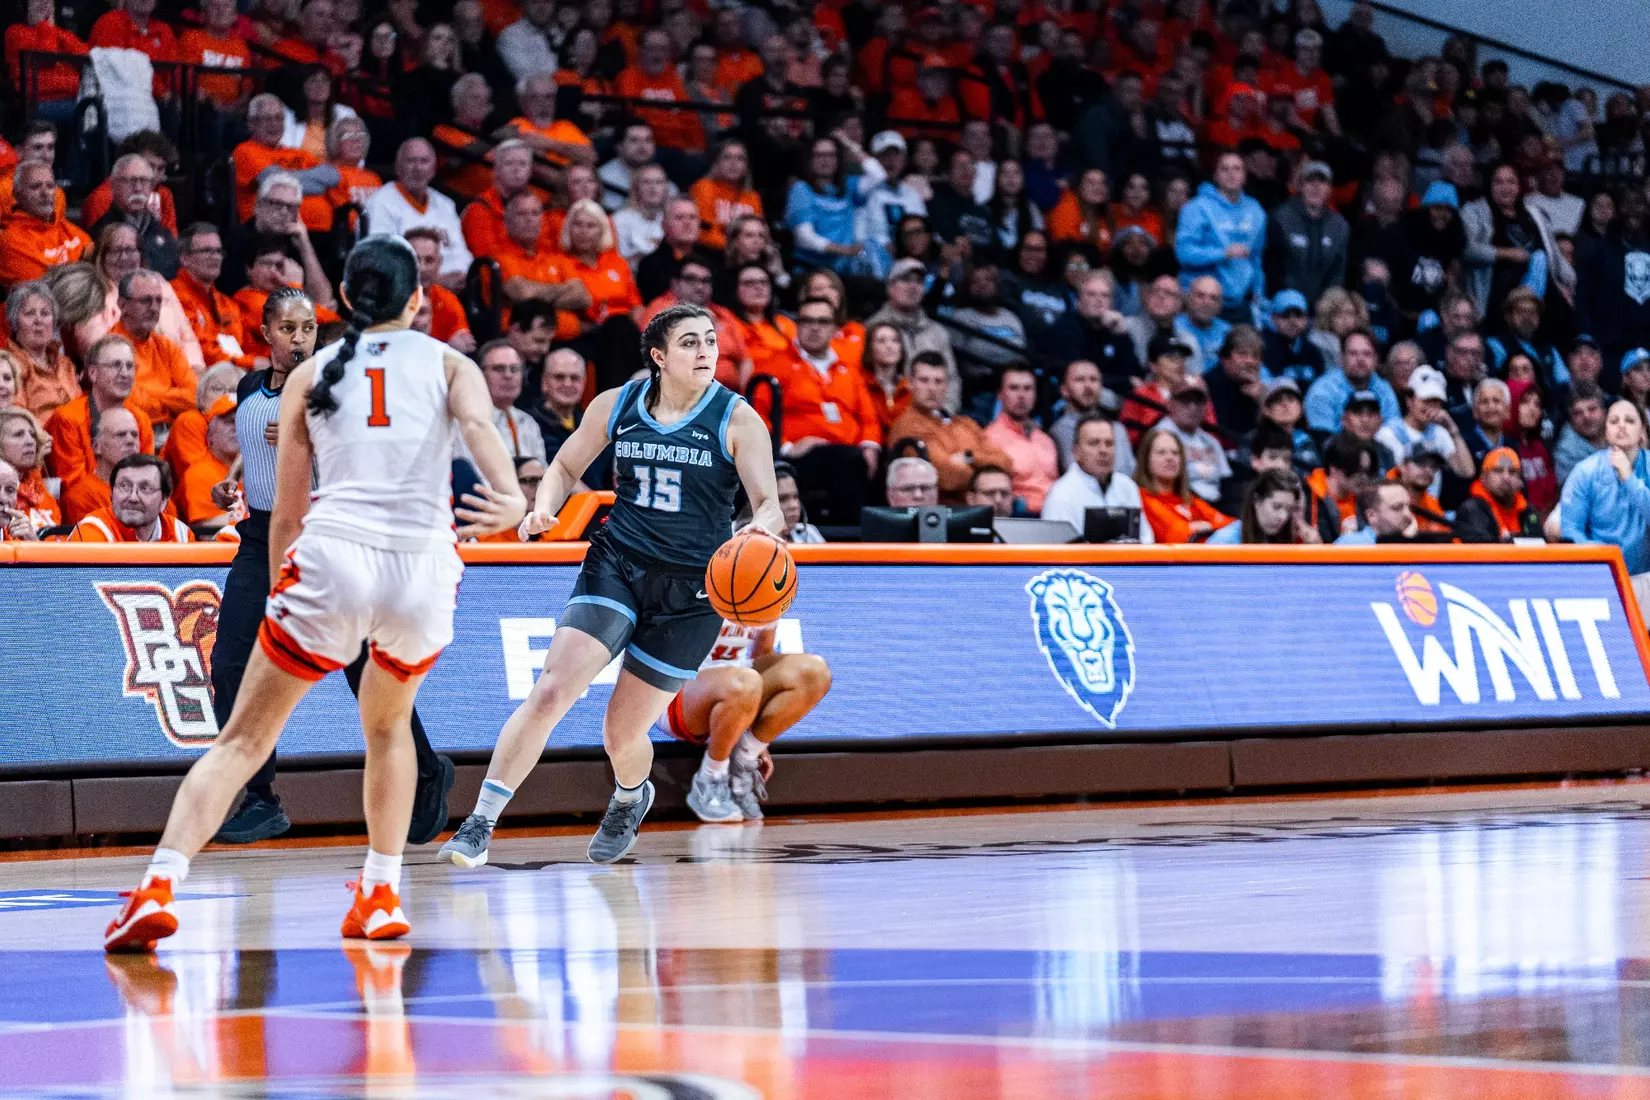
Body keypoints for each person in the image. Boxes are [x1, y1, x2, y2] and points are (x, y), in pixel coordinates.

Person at [103, 238, 526, 952]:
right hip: (421, 569)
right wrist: (511, 495)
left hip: (336, 558)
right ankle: (381, 893)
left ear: (346, 300)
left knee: (243, 740)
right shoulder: (450, 363)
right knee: (389, 729)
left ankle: (158, 886)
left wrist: (280, 592)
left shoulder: (312, 375)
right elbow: (483, 433)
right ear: (417, 298)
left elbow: (288, 512)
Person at [440, 304, 785, 868]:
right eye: (690, 342)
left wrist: (754, 534)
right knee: (551, 691)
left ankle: (629, 797)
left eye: (710, 341)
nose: (705, 351)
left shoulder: (737, 418)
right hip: (618, 564)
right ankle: (480, 822)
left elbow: (769, 504)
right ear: (659, 356)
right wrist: (543, 507)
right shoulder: (618, 403)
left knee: (621, 736)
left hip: (693, 593)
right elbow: (563, 467)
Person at [211, 287, 463, 845]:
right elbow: (256, 444)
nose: (299, 339)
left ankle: (426, 771)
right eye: (288, 329)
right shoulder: (250, 387)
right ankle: (259, 799)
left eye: (307, 328)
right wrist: (234, 479)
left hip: (328, 533)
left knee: (362, 665)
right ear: (266, 333)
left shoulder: (334, 388)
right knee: (229, 664)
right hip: (261, 536)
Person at [665, 612, 831, 822]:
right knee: (744, 682)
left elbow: (763, 653)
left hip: (739, 685)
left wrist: (756, 740)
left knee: (814, 672)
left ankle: (743, 761)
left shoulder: (767, 592)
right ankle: (710, 779)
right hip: (676, 691)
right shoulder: (689, 590)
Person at [360, 140, 472, 289]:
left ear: (433, 169)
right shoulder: (379, 203)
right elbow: (380, 259)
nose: (418, 168)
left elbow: (460, 251)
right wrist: (435, 281)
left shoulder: (445, 204)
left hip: (457, 289)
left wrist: (463, 275)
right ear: (398, 167)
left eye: (424, 161)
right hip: (406, 292)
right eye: (411, 161)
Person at [44, 334, 156, 484]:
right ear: (93, 373)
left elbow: (147, 477)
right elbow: (74, 487)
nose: (125, 373)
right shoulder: (68, 419)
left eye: (130, 366)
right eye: (116, 365)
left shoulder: (140, 419)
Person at [1561, 399, 1650, 579]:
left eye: (1630, 421)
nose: (1621, 426)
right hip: (1600, 574)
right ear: (1606, 432)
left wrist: (1629, 478)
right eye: (1614, 421)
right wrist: (1601, 555)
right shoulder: (1585, 471)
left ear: (1642, 431)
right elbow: (1570, 529)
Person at [1174, 152, 1266, 323]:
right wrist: (1223, 253)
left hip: (1241, 302)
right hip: (1202, 300)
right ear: (1215, 175)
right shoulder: (1196, 207)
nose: (1231, 174)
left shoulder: (1256, 210)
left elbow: (1257, 258)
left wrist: (1258, 291)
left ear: (1245, 176)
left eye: (1237, 169)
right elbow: (1184, 253)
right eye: (1224, 169)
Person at [866, 259, 961, 413]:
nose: (913, 286)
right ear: (890, 287)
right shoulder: (873, 328)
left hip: (935, 417)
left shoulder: (938, 332)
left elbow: (951, 378)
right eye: (905, 280)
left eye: (919, 281)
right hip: (889, 415)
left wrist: (945, 411)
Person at [1040, 414, 1150, 537]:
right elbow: (1059, 546)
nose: (1103, 450)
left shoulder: (1127, 486)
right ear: (1076, 452)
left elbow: (1146, 539)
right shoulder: (1061, 494)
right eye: (1094, 443)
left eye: (1109, 443)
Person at [113, 271, 198, 428]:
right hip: (134, 430)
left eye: (159, 300)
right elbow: (135, 405)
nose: (154, 308)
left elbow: (195, 396)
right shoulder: (109, 350)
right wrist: (173, 398)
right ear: (122, 305)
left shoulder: (167, 346)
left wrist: (153, 395)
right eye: (145, 300)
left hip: (174, 428)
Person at [1265, 160, 1348, 304]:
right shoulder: (1280, 218)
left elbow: (1337, 274)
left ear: (1330, 189)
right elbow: (1272, 269)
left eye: (1322, 181)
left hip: (1323, 307)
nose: (1316, 187)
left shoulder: (1340, 226)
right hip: (1285, 305)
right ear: (1300, 186)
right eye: (1310, 180)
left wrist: (1328, 306)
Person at [1134, 425, 1233, 543]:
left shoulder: (1189, 499)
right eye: (1161, 453)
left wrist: (1206, 527)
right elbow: (1179, 535)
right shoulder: (1142, 499)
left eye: (1175, 453)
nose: (1170, 458)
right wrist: (1206, 527)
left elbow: (1233, 526)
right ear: (1146, 460)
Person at [0, 162, 92, 287]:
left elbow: (97, 271)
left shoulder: (70, 230)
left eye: (50, 186)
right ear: (17, 195)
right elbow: (42, 288)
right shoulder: (10, 241)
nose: (45, 193)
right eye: (35, 187)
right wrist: (81, 270)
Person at [983, 365, 1058, 515]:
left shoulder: (1046, 439)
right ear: (1000, 394)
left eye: (1027, 388)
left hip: (1055, 513)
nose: (1021, 395)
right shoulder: (989, 438)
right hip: (1019, 516)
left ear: (1035, 395)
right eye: (1014, 388)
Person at [68, 454, 194, 543]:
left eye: (145, 488)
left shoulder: (181, 535)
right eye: (124, 486)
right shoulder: (90, 532)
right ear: (111, 494)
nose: (133, 498)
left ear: (164, 501)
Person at [90, 155, 179, 280]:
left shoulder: (163, 234)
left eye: (144, 181)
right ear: (113, 185)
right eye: (130, 181)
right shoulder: (98, 235)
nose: (138, 188)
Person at [5, 281, 79, 421]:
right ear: (14, 322)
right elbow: (17, 420)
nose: (39, 320)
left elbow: (83, 410)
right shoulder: (9, 366)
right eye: (29, 314)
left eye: (45, 313)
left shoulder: (65, 364)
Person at [1304, 330, 1400, 434]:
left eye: (1367, 354)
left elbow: (1394, 432)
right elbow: (1323, 438)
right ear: (1341, 358)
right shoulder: (1322, 391)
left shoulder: (1384, 388)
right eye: (1353, 353)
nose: (1360, 359)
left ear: (1376, 360)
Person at [1049, 359, 1134, 476]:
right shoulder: (1060, 430)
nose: (1088, 386)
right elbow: (1076, 472)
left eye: (1093, 379)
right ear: (1064, 390)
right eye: (1079, 380)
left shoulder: (1118, 429)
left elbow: (1132, 472)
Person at [59, 406, 142, 524]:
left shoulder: (154, 490)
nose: (130, 441)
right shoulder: (81, 498)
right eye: (121, 434)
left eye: (134, 435)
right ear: (96, 446)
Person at [1160, 376, 1230, 504]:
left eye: (1198, 401)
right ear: (1170, 403)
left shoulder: (1211, 441)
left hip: (1214, 505)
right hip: (1177, 503)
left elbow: (1226, 480)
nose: (1192, 407)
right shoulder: (1160, 437)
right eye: (1185, 400)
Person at [1206, 468, 1323, 544]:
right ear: (1256, 501)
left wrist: (1315, 550)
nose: (1283, 517)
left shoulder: (1289, 540)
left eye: (1288, 509)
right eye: (1276, 507)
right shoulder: (1224, 541)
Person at [404, 228, 475, 353]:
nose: (422, 268)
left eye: (429, 260)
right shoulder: (386, 298)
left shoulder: (447, 300)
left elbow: (462, 338)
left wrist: (461, 344)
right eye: (415, 259)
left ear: (439, 262)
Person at [477, 340, 545, 463]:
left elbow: (542, 469)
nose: (508, 375)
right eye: (499, 369)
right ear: (480, 374)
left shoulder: (529, 423)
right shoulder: (470, 420)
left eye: (514, 369)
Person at [1455, 447, 1538, 543]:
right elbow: (1483, 548)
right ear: (1483, 477)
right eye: (1498, 470)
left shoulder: (1528, 510)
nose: (1506, 477)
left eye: (1512, 472)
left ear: (1520, 480)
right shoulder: (1471, 509)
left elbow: (1542, 544)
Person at [1203, 325, 1267, 435]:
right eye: (1242, 354)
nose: (1250, 361)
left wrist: (1261, 400)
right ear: (1225, 358)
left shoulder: (1255, 386)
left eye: (1255, 355)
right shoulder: (1209, 384)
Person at [1554, 381, 1607, 486]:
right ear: (1571, 420)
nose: (1586, 417)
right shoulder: (1566, 451)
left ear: (1604, 412)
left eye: (1592, 409)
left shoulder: (1619, 436)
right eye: (1578, 413)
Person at [1334, 481, 1416, 544]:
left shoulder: (1415, 542)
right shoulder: (1350, 545)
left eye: (1409, 507)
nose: (1408, 514)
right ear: (1371, 515)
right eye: (1397, 507)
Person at [774, 461, 824, 543]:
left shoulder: (809, 533)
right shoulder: (754, 541)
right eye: (782, 499)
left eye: (795, 497)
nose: (794, 505)